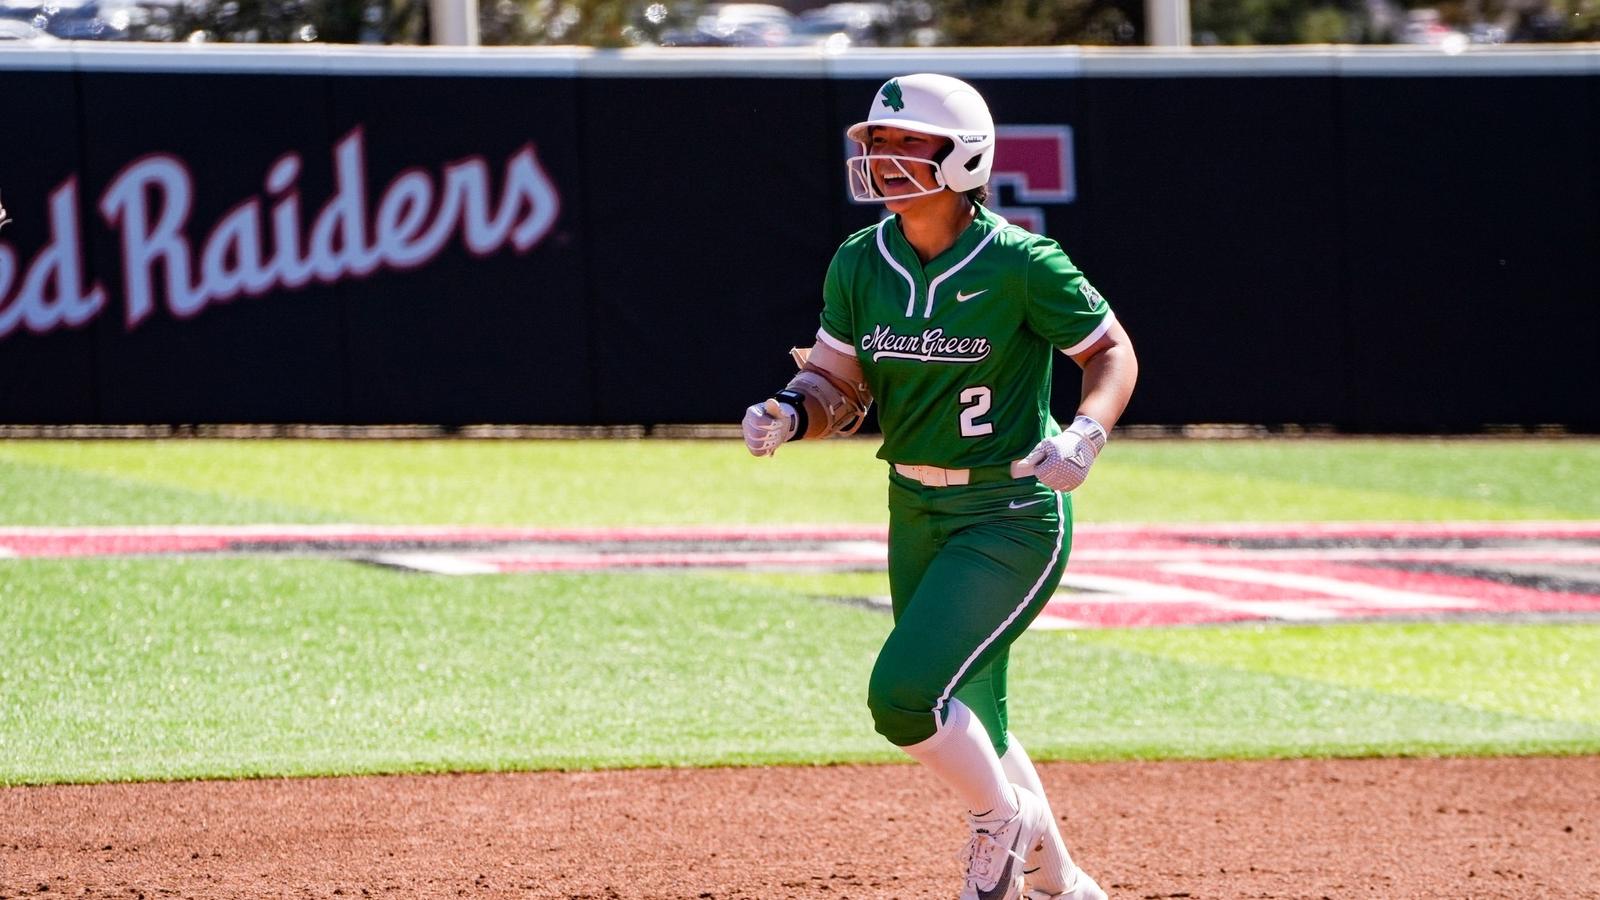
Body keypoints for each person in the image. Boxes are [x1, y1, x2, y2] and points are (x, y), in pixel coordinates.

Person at [742, 73, 1136, 900]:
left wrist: (1087, 432)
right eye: (877, 143)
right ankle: (1064, 886)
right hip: (912, 506)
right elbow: (834, 385)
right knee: (976, 713)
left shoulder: (1022, 261)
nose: (884, 159)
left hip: (1010, 509)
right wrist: (788, 411)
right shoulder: (860, 259)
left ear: (964, 156)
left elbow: (1110, 352)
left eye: (906, 142)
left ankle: (1002, 823)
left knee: (903, 698)